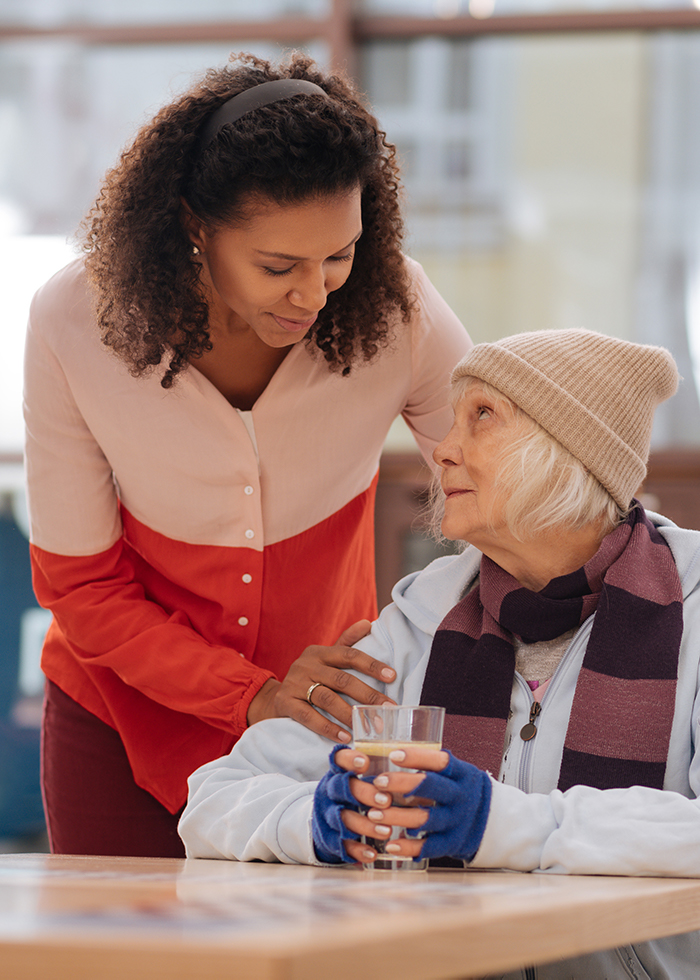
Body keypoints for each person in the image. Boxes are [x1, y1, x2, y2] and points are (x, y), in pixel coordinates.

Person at [23, 51, 471, 858]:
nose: (316, 291)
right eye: (278, 266)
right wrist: (252, 694)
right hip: (117, 723)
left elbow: (499, 479)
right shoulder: (75, 321)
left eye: (340, 254)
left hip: (317, 724)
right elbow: (80, 584)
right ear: (194, 225)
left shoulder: (395, 307)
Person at [180, 329, 700, 979]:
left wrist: (499, 823)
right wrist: (315, 821)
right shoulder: (416, 623)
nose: (444, 452)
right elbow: (212, 801)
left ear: (571, 450)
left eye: (482, 417)